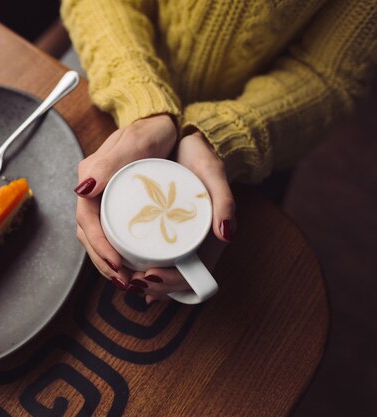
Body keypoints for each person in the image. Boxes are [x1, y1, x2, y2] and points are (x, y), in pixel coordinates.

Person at [61, 0, 377, 304]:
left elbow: (328, 76)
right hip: (114, 60)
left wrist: (225, 135)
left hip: (255, 136)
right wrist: (141, 101)